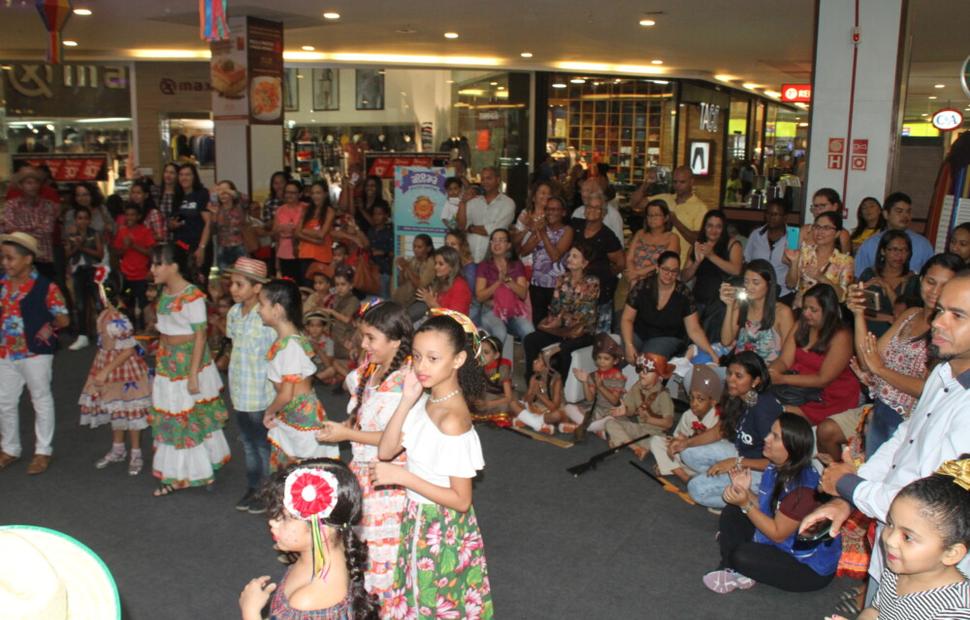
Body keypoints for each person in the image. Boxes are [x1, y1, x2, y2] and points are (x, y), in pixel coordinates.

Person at [373, 310, 493, 619]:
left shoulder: (452, 420)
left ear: (458, 360)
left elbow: (462, 500)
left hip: (440, 524)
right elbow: (386, 450)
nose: (421, 366)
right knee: (417, 597)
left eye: (433, 358)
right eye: (416, 356)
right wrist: (406, 399)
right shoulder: (430, 399)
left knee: (431, 599)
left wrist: (403, 477)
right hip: (420, 515)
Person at [820, 253, 962, 461]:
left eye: (945, 285)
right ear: (921, 280)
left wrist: (881, 371)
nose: (936, 291)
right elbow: (869, 359)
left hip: (909, 420)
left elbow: (929, 387)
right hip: (880, 406)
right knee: (826, 431)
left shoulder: (951, 332)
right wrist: (859, 314)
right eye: (931, 282)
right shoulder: (910, 314)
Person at [316, 301, 411, 609]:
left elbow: (393, 440)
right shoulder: (370, 372)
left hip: (387, 481)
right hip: (363, 473)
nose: (364, 344)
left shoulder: (403, 383)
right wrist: (343, 428)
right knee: (360, 550)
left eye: (371, 338)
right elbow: (363, 421)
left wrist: (347, 435)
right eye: (363, 336)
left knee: (382, 555)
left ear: (395, 341)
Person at [704, 413, 841, 593]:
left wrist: (746, 503)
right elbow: (768, 506)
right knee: (733, 510)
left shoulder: (804, 491)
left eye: (775, 437)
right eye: (770, 433)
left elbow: (778, 534)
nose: (766, 438)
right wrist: (745, 492)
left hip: (808, 568)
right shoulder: (777, 466)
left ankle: (736, 562)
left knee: (742, 555)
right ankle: (730, 568)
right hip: (782, 540)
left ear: (792, 447)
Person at [238, 459, 380, 620]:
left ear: (322, 530)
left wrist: (250, 611)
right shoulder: (327, 552)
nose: (272, 521)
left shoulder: (308, 600)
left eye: (285, 518)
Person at [828, 462, 970, 620]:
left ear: (951, 553)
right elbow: (875, 611)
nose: (890, 540)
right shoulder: (898, 569)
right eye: (890, 524)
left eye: (907, 537)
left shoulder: (957, 611)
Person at [148, 243, 230, 495]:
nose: (152, 269)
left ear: (174, 266)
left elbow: (200, 337)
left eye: (157, 264)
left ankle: (188, 473)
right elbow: (165, 331)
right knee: (174, 414)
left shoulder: (192, 295)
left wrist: (193, 373)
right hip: (168, 361)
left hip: (188, 363)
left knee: (186, 416)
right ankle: (183, 471)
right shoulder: (165, 293)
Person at [0, 233, 69, 475]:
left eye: (11, 258)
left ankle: (43, 451)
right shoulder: (2, 283)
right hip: (6, 351)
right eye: (3, 258)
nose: (5, 263)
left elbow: (63, 318)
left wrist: (46, 330)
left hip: (35, 353)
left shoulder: (45, 287)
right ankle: (10, 448)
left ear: (28, 259)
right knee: (4, 401)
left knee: (40, 399)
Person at [678, 352, 782, 509]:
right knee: (687, 452)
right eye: (729, 373)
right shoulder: (737, 396)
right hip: (741, 454)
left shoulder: (764, 410)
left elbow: (778, 462)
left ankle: (747, 500)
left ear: (755, 381)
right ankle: (725, 480)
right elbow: (720, 430)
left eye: (738, 376)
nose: (730, 380)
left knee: (696, 490)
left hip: (764, 472)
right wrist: (686, 442)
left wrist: (735, 463)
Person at [259, 279, 337, 469]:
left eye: (261, 304)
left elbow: (286, 394)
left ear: (276, 309)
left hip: (301, 416)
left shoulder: (290, 347)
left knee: (305, 468)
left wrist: (269, 412)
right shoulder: (288, 340)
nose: (258, 310)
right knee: (295, 465)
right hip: (293, 413)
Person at [78, 273, 151, 476]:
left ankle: (136, 452)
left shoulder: (119, 319)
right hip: (107, 363)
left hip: (124, 370)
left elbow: (128, 349)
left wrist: (105, 370)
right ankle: (118, 448)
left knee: (131, 408)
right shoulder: (105, 315)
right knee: (116, 407)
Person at [223, 257, 277, 514]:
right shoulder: (233, 313)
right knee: (246, 442)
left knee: (262, 444)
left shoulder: (266, 317)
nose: (233, 289)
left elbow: (275, 355)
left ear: (257, 288)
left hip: (260, 393)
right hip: (239, 391)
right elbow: (234, 345)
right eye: (232, 283)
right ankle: (253, 485)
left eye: (239, 284)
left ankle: (266, 491)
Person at [769, 283, 859, 425]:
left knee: (773, 412)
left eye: (813, 310)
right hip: (798, 388)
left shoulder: (841, 336)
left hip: (828, 397)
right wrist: (772, 372)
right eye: (805, 308)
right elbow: (785, 360)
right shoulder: (801, 325)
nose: (806, 313)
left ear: (827, 310)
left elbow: (823, 379)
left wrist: (782, 379)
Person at [620, 250, 718, 361]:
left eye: (674, 271)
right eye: (665, 269)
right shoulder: (642, 286)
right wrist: (629, 345)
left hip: (666, 337)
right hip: (638, 333)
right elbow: (627, 319)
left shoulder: (684, 294)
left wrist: (711, 352)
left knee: (650, 361)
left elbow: (694, 329)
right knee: (618, 354)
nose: (669, 274)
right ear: (657, 268)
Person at [523, 243, 600, 379]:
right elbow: (555, 308)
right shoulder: (562, 278)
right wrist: (557, 320)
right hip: (562, 329)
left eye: (575, 256)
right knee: (531, 340)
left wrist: (560, 320)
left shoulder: (591, 282)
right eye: (569, 255)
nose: (569, 258)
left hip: (583, 332)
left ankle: (560, 390)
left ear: (585, 263)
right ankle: (532, 383)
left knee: (567, 347)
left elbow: (581, 316)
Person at [651, 365, 722, 483]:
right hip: (684, 454)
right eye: (691, 398)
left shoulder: (717, 420)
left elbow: (714, 451)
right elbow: (677, 437)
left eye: (700, 399)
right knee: (656, 441)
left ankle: (671, 468)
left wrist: (688, 442)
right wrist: (676, 440)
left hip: (701, 461)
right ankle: (683, 475)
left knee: (694, 455)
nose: (694, 403)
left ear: (713, 402)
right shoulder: (687, 415)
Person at [682, 209, 744, 338]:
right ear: (704, 227)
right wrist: (697, 262)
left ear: (723, 228)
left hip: (721, 303)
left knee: (715, 340)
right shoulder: (697, 246)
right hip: (698, 300)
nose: (713, 230)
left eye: (718, 226)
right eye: (710, 226)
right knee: (693, 341)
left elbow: (736, 270)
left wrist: (711, 256)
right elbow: (684, 277)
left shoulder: (732, 244)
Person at [719, 259, 795, 364]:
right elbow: (726, 341)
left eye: (756, 282)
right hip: (739, 368)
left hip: (767, 370)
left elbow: (788, 353)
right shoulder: (741, 305)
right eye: (746, 281)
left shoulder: (782, 312)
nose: (749, 287)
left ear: (769, 284)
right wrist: (729, 306)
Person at [604, 352, 675, 460]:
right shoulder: (637, 386)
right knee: (610, 423)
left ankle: (623, 440)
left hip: (655, 434)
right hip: (640, 429)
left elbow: (668, 423)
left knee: (660, 445)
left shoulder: (663, 395)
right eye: (639, 370)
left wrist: (648, 419)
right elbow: (631, 409)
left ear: (658, 375)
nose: (642, 374)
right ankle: (635, 447)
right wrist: (625, 411)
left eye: (646, 371)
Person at [571, 190, 624, 330]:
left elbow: (620, 263)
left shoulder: (608, 236)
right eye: (589, 206)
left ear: (604, 213)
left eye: (597, 208)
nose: (592, 210)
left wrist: (604, 275)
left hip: (598, 293)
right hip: (575, 290)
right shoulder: (575, 225)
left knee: (598, 334)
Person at [518, 195, 573, 326]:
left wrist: (543, 234)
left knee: (555, 322)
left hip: (557, 285)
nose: (550, 212)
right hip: (537, 283)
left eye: (555, 209)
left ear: (563, 212)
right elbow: (524, 251)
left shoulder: (567, 231)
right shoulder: (541, 228)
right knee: (538, 321)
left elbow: (555, 256)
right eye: (548, 209)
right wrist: (535, 234)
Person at [475, 229, 534, 346]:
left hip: (513, 310)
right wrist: (498, 282)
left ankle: (534, 364)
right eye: (494, 241)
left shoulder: (516, 265)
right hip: (491, 310)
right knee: (499, 333)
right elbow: (480, 297)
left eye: (501, 240)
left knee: (530, 332)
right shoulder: (484, 265)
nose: (497, 244)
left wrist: (508, 280)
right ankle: (492, 364)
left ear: (508, 245)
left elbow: (522, 294)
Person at [854, 192, 934, 279]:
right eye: (899, 211)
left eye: (908, 212)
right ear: (886, 214)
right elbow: (859, 277)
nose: (905, 216)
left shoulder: (923, 244)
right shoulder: (870, 244)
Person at [1, 167, 60, 281]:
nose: (33, 186)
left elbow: (47, 229)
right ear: (21, 185)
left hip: (43, 258)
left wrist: (21, 230)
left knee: (46, 292)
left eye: (36, 182)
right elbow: (10, 228)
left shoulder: (48, 205)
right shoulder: (11, 205)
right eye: (29, 183)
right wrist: (35, 227)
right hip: (18, 259)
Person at [784, 211, 854, 307]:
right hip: (802, 309)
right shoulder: (805, 252)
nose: (820, 232)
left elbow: (842, 297)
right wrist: (794, 262)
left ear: (837, 233)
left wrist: (822, 278)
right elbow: (790, 284)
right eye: (817, 227)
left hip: (827, 314)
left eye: (826, 228)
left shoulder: (845, 261)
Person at [562, 333, 626, 439]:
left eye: (606, 359)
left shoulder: (618, 376)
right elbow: (590, 399)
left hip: (608, 410)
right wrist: (585, 382)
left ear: (615, 361)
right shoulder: (593, 374)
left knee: (611, 420)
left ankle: (586, 427)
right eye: (599, 358)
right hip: (593, 409)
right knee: (568, 407)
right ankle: (596, 429)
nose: (601, 362)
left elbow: (615, 401)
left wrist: (600, 386)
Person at [857, 230, 918, 337]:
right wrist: (888, 318)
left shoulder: (912, 280)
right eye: (894, 249)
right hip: (867, 332)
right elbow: (859, 310)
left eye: (904, 250)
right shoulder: (869, 274)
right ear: (883, 251)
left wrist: (888, 288)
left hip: (897, 337)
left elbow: (905, 316)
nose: (899, 254)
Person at [648, 166, 710, 263]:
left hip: (680, 265)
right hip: (656, 260)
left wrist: (675, 221)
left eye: (682, 182)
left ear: (691, 182)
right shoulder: (666, 198)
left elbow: (698, 241)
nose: (677, 186)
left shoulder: (700, 207)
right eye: (675, 182)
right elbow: (635, 203)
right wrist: (646, 183)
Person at [64, 205, 103, 351]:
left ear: (89, 220)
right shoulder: (70, 235)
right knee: (80, 305)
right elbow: (66, 255)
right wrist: (76, 246)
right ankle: (83, 336)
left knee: (99, 303)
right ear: (75, 220)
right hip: (77, 271)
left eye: (86, 218)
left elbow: (100, 254)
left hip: (92, 269)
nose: (83, 221)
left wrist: (82, 247)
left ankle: (103, 334)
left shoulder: (95, 233)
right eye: (80, 218)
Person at [743, 199, 797, 303]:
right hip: (757, 292)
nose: (771, 217)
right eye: (768, 213)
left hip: (783, 293)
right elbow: (747, 261)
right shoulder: (756, 234)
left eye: (776, 214)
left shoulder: (793, 236)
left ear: (785, 217)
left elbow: (794, 265)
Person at [458, 165, 515, 262]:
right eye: (483, 179)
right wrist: (463, 203)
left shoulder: (508, 203)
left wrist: (471, 228)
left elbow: (494, 230)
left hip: (494, 259)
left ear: (498, 180)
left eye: (489, 178)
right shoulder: (473, 201)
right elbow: (461, 226)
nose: (485, 182)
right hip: (469, 258)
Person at [113, 204, 156, 330]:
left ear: (138, 216)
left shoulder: (145, 231)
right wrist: (125, 248)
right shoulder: (122, 231)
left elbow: (151, 253)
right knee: (127, 305)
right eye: (127, 215)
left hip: (141, 276)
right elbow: (116, 252)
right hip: (126, 276)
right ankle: (129, 331)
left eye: (133, 215)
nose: (129, 217)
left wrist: (134, 246)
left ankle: (144, 331)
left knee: (144, 305)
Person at [169, 163, 214, 285]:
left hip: (198, 247)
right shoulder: (178, 197)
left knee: (198, 284)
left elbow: (208, 223)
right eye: (181, 175)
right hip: (181, 246)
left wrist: (202, 248)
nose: (184, 178)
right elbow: (178, 218)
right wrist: (173, 224)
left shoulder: (201, 194)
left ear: (194, 177)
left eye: (188, 174)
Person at [624, 198, 681, 287]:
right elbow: (629, 258)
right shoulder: (640, 233)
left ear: (666, 217)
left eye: (657, 215)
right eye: (649, 215)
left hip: (658, 284)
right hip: (634, 281)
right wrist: (633, 274)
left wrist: (638, 273)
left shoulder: (672, 238)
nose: (652, 219)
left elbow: (666, 264)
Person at [513, 347, 564, 433]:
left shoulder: (556, 380)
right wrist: (532, 393)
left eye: (538, 360)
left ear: (547, 367)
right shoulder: (534, 378)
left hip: (549, 412)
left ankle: (529, 420)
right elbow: (526, 401)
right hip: (536, 409)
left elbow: (554, 407)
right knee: (513, 403)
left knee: (557, 415)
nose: (534, 361)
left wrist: (539, 394)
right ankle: (536, 422)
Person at [416, 246, 472, 316]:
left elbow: (455, 319)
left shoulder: (460, 286)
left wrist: (433, 304)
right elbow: (433, 313)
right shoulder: (440, 281)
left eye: (441, 264)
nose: (436, 267)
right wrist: (430, 304)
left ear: (452, 266)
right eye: (435, 263)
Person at [571, 176, 625, 247]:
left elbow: (619, 245)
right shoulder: (578, 212)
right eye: (582, 190)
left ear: (598, 192)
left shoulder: (613, 216)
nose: (583, 194)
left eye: (588, 190)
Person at [274, 180, 307, 282]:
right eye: (287, 192)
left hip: (302, 249)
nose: (289, 195)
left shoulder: (306, 208)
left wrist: (294, 230)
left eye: (293, 193)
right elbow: (275, 235)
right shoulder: (280, 210)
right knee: (288, 282)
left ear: (300, 194)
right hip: (284, 251)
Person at [800, 188, 852, 254]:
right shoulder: (806, 230)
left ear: (835, 206)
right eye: (815, 206)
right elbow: (787, 258)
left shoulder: (842, 234)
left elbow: (845, 260)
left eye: (822, 206)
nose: (818, 210)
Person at [474, 336, 515, 415]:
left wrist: (488, 403)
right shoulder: (478, 365)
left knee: (504, 407)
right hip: (486, 394)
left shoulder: (502, 369)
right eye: (479, 351)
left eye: (486, 352)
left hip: (501, 397)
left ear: (496, 355)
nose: (480, 356)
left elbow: (508, 397)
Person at [213, 180, 248, 271]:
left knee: (242, 275)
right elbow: (213, 229)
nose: (223, 194)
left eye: (226, 191)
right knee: (224, 277)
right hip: (222, 247)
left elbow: (245, 198)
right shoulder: (217, 208)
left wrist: (226, 190)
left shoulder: (239, 206)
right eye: (220, 191)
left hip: (239, 246)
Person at [392, 234, 435, 310]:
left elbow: (420, 286)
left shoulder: (431, 263)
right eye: (414, 246)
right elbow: (400, 282)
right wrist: (402, 268)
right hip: (405, 299)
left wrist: (407, 267)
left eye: (419, 247)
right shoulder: (413, 260)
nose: (415, 249)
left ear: (428, 249)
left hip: (421, 301)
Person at [364, 203, 393, 298]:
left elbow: (392, 252)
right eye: (374, 214)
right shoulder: (370, 231)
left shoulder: (390, 232)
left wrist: (383, 252)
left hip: (383, 270)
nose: (376, 217)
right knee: (371, 298)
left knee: (383, 298)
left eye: (379, 214)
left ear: (386, 215)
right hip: (370, 270)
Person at [128, 179, 166, 243]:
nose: (135, 196)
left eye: (138, 193)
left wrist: (141, 237)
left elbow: (160, 236)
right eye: (133, 193)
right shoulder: (130, 211)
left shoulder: (153, 213)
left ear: (146, 195)